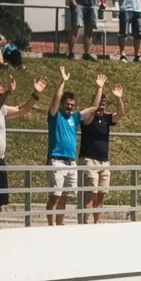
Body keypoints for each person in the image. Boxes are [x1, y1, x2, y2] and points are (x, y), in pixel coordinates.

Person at [0, 75, 48, 229]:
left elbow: (21, 109)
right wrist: (7, 93)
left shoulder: (2, 109)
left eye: (0, 94)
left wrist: (35, 94)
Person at [46, 67, 105, 226]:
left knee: (65, 196)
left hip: (70, 161)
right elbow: (55, 101)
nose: (70, 107)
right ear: (62, 104)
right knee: (55, 196)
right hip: (57, 160)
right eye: (67, 104)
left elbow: (92, 109)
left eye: (72, 105)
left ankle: (60, 224)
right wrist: (62, 82)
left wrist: (99, 89)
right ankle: (51, 225)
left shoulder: (74, 117)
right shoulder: (55, 116)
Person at [79, 82, 125, 223]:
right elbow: (92, 109)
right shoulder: (87, 118)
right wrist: (99, 88)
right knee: (90, 195)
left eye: (104, 103)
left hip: (104, 161)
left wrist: (118, 98)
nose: (101, 105)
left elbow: (120, 114)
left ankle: (97, 223)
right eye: (100, 102)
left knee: (100, 195)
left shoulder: (106, 118)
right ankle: (84, 224)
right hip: (89, 160)